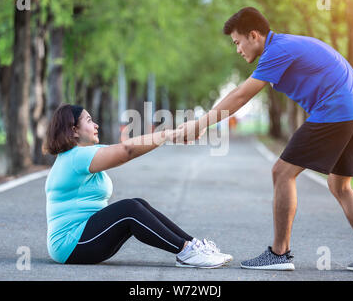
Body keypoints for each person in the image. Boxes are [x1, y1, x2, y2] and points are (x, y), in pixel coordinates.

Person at [178, 7, 353, 274]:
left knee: (282, 172)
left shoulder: (276, 51)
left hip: (336, 109)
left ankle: (279, 253)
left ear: (254, 35)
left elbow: (241, 95)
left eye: (237, 42)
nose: (238, 50)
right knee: (340, 186)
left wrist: (200, 123)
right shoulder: (285, 46)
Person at [42, 103, 232, 268]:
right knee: (129, 209)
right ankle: (186, 251)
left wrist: (168, 136)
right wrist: (167, 135)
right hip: (70, 245)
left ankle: (193, 246)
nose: (96, 125)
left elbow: (126, 147)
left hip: (85, 239)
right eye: (89, 120)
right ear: (74, 130)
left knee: (137, 203)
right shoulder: (76, 158)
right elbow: (127, 150)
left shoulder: (85, 154)